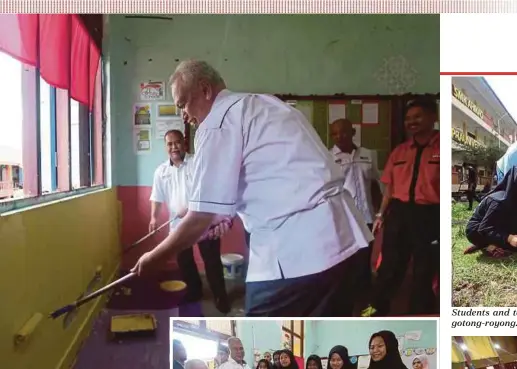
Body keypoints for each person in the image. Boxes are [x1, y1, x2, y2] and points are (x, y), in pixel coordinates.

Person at [132, 59, 373, 316]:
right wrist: (221, 216)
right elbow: (271, 177)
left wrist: (154, 257)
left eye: (183, 104)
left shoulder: (217, 121)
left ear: (205, 89)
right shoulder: (269, 104)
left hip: (299, 252)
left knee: (260, 336)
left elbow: (199, 217)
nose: (184, 115)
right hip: (349, 240)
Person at [362, 98, 440, 317]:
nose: (412, 122)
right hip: (399, 213)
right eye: (408, 118)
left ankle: (421, 312)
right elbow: (389, 188)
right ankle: (375, 310)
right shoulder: (399, 152)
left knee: (424, 268)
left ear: (433, 117)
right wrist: (380, 215)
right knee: (389, 266)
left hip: (430, 216)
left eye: (418, 116)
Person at [149, 129, 230, 313]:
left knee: (211, 261)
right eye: (169, 144)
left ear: (184, 143)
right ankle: (195, 291)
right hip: (178, 225)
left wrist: (196, 208)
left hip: (204, 222)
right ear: (165, 147)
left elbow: (211, 188)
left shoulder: (197, 163)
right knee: (185, 262)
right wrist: (153, 217)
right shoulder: (161, 172)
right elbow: (156, 197)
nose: (174, 147)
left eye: (177, 142)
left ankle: (220, 296)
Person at [329, 118, 382, 288]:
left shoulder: (368, 154)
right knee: (345, 254)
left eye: (343, 132)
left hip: (367, 215)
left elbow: (375, 184)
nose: (339, 136)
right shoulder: (328, 158)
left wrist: (379, 213)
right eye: (335, 133)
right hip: (343, 216)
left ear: (353, 132)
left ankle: (364, 289)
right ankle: (346, 288)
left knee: (365, 254)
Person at [463, 167, 517, 258]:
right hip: (477, 231)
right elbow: (484, 228)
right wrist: (510, 238)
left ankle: (490, 245)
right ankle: (487, 245)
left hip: (497, 227)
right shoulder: (499, 201)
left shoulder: (513, 200)